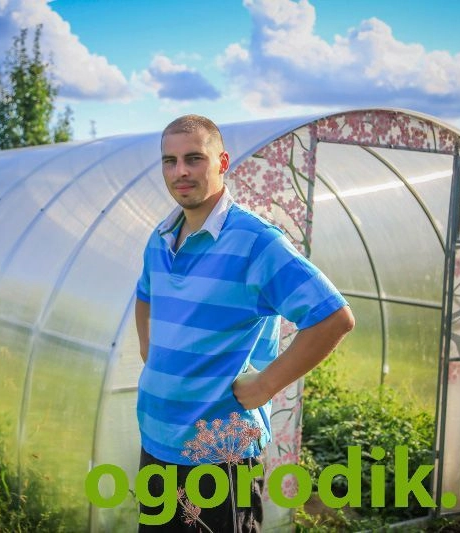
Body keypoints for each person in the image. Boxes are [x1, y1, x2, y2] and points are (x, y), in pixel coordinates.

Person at [134, 115, 355, 532]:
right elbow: (145, 295)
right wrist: (151, 353)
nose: (180, 172)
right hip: (158, 438)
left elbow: (332, 318)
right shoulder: (161, 237)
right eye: (169, 161)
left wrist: (265, 385)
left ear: (222, 162)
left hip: (220, 452)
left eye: (194, 158)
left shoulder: (256, 241)